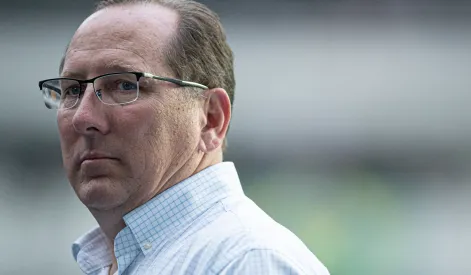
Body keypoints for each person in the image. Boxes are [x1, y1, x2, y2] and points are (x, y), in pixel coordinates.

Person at [37, 0, 330, 274]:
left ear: (211, 119)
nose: (83, 118)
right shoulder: (123, 258)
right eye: (72, 91)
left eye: (125, 85)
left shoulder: (246, 261)